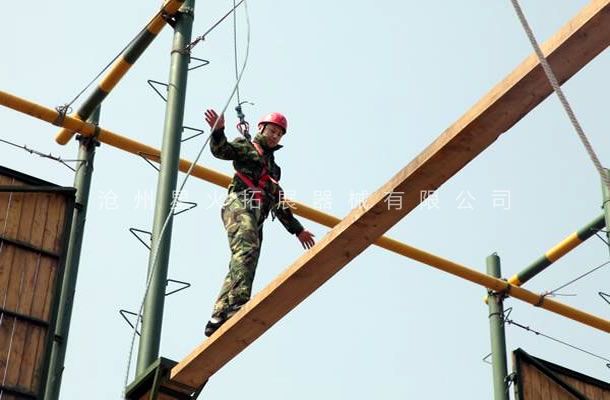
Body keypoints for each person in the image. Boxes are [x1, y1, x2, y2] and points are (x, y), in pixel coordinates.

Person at [203, 109, 315, 337]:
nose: (275, 136)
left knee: (246, 259)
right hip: (240, 204)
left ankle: (219, 314)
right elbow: (221, 151)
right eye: (272, 131)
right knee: (246, 250)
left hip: (258, 214)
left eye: (279, 134)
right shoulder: (246, 147)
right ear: (261, 128)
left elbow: (277, 201)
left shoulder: (274, 170)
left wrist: (298, 230)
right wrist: (218, 132)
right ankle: (237, 304)